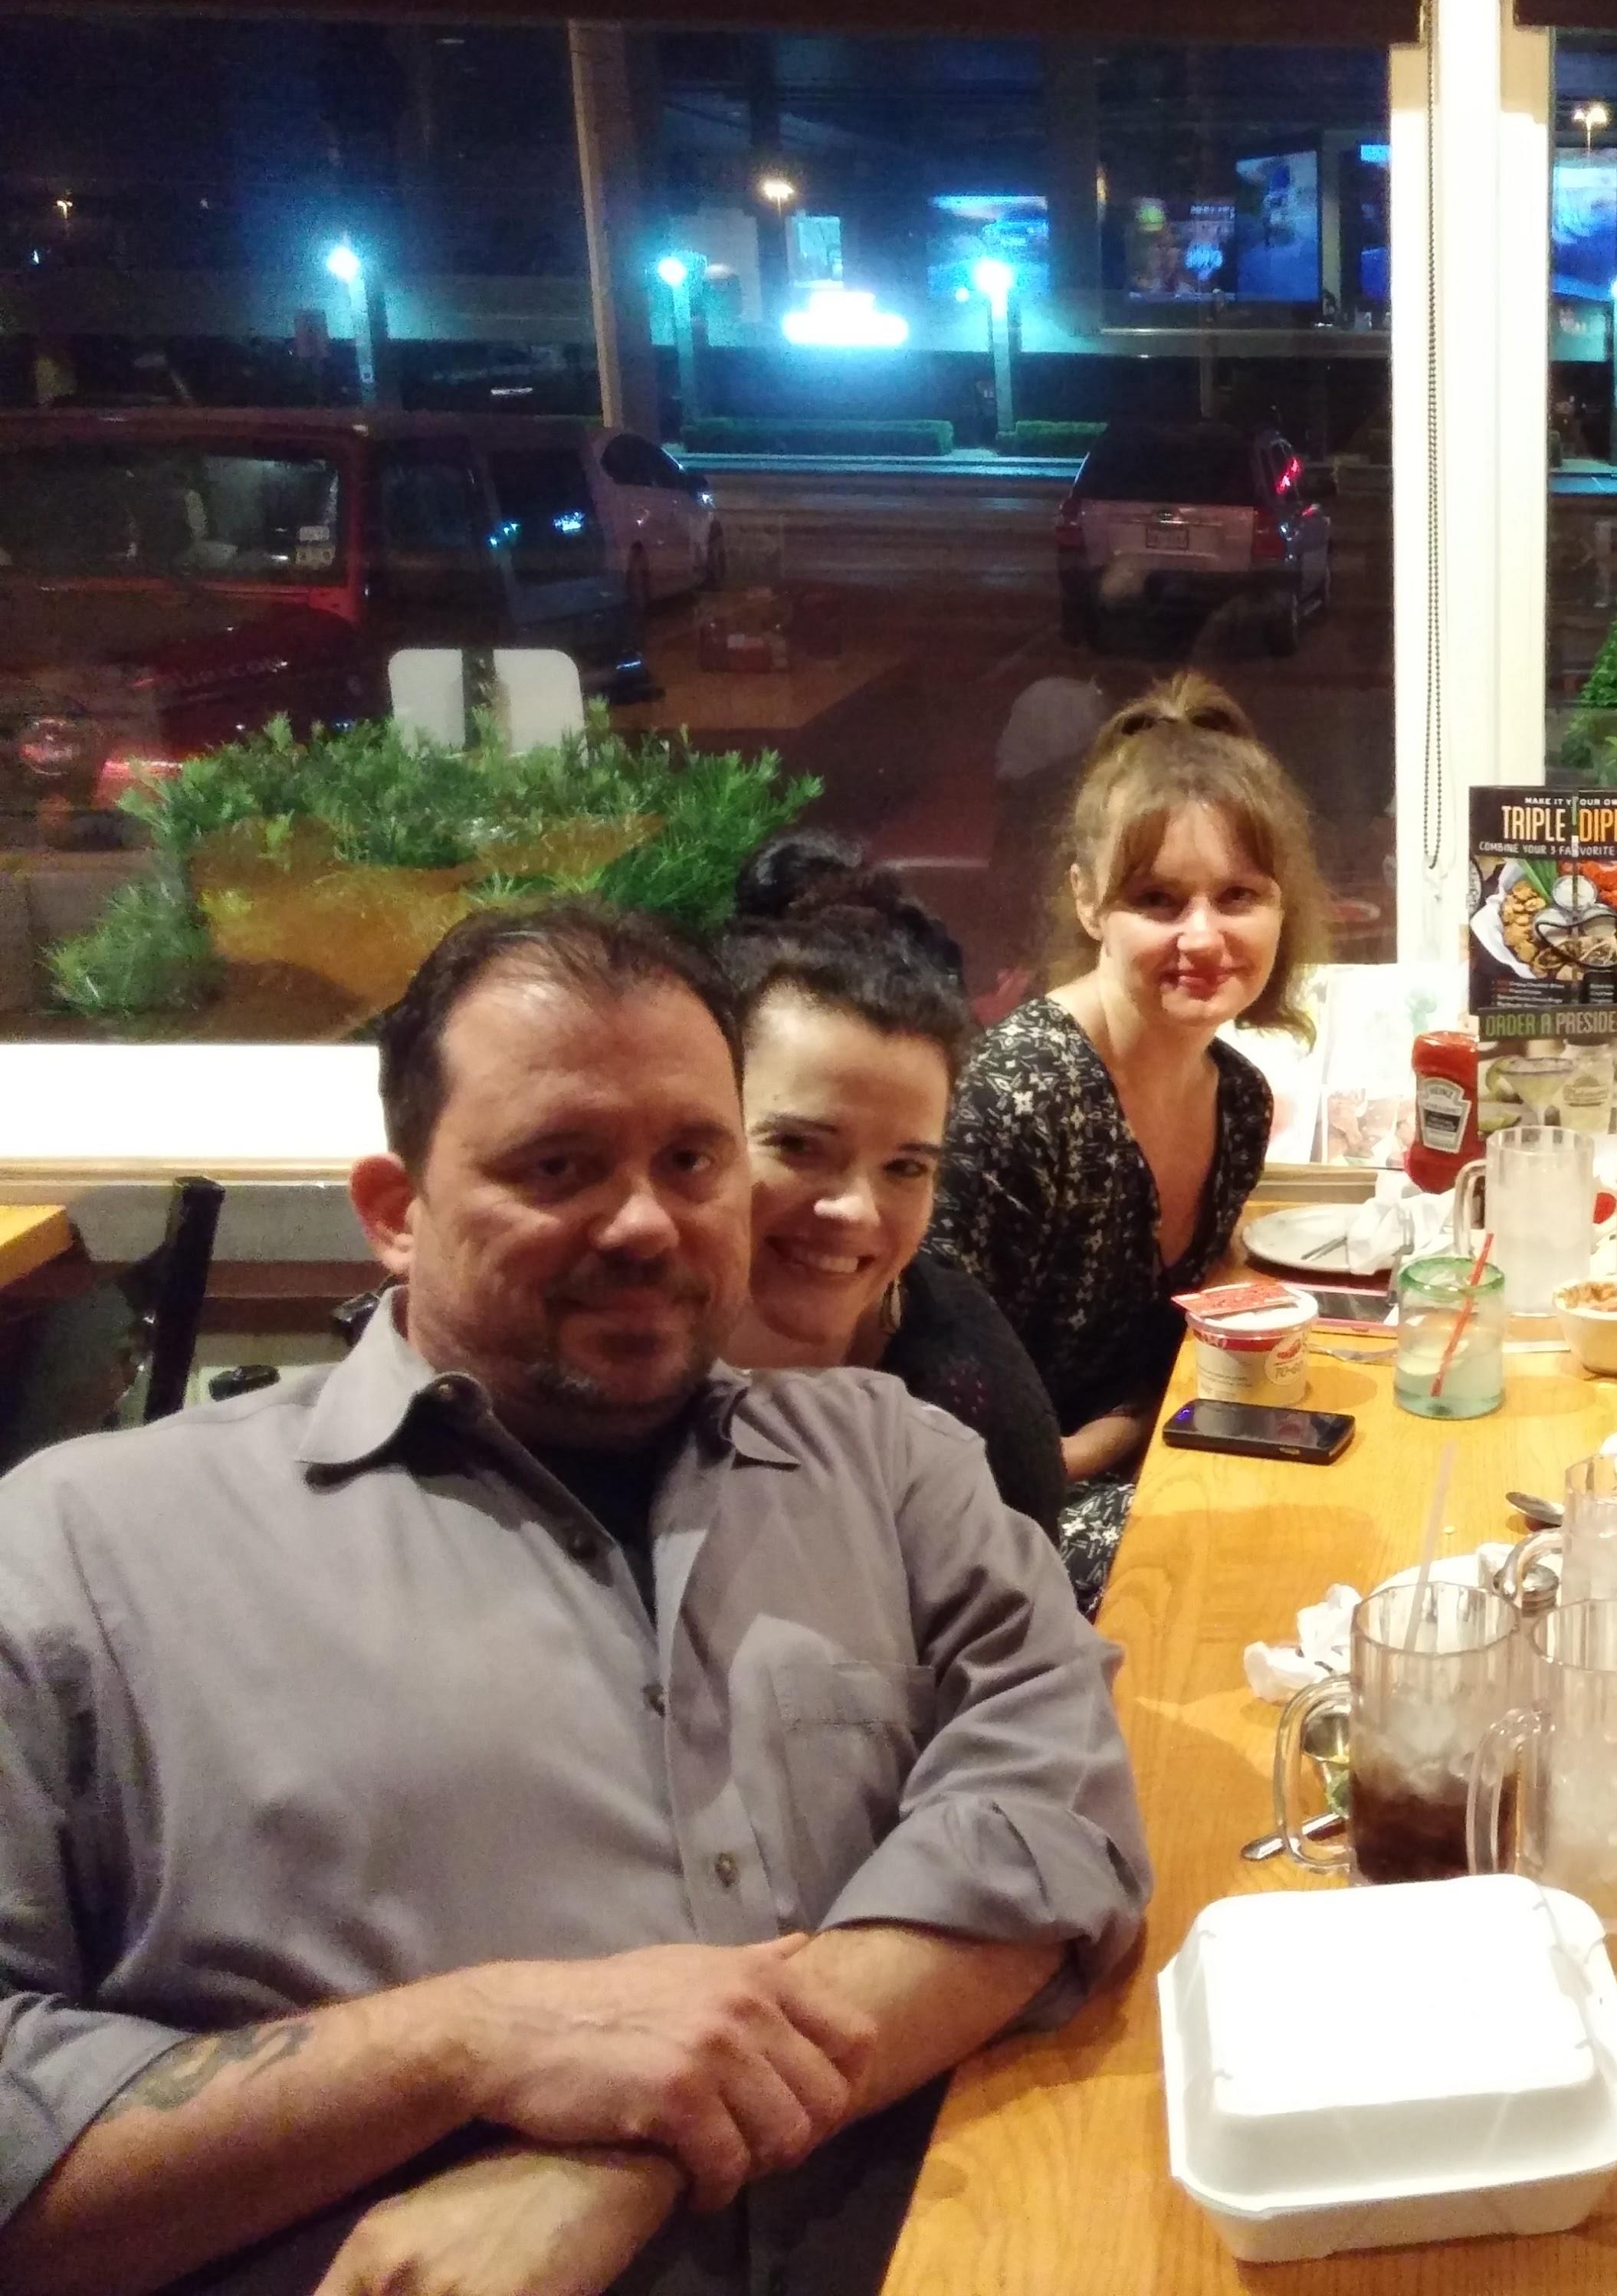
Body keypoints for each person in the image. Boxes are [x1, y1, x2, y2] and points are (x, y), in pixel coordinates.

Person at [0, 904, 1151, 2296]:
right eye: (558, 1167)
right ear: (392, 1212)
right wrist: (474, 2040)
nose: (645, 1223)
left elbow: (1053, 1828)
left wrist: (623, 2151)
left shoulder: (899, 1466)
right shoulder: (82, 1557)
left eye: (692, 1159)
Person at [926, 675, 1322, 1609]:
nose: (1203, 935)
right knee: (1248, 1585)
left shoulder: (1238, 1103)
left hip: (1140, 1462)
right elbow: (933, 1417)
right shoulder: (1026, 1095)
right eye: (1156, 899)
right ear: (1087, 901)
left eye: (1238, 895)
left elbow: (1196, 1315)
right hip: (992, 1521)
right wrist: (1121, 1434)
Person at [717, 832, 1074, 1556]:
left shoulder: (971, 1399)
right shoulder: (610, 1360)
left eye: (906, 1168)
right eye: (799, 1146)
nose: (855, 1210)